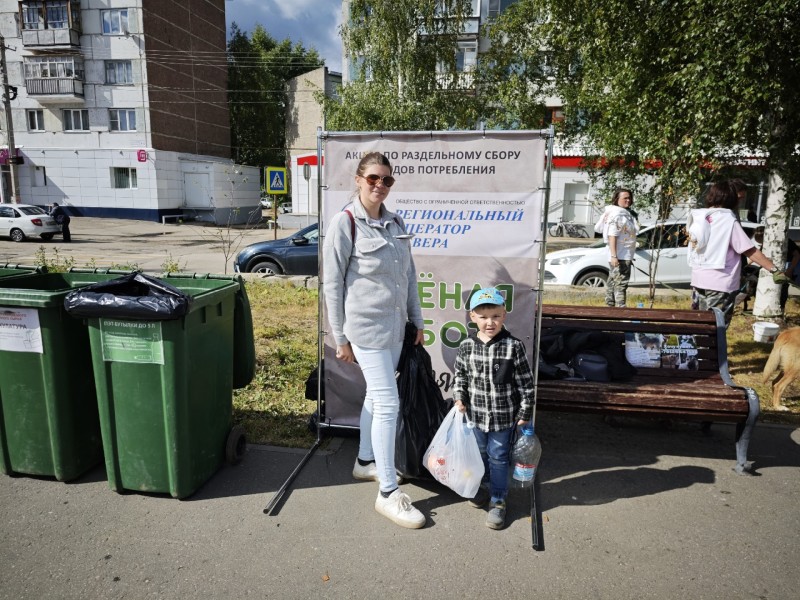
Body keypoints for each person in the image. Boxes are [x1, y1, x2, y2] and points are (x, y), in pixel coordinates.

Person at [322, 152, 426, 529]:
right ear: (358, 179)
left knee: (373, 397)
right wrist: (341, 336)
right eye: (373, 179)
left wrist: (417, 320)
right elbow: (332, 284)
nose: (379, 185)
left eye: (386, 180)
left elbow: (409, 277)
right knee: (387, 403)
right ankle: (387, 493)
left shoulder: (396, 222)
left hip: (395, 329)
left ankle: (365, 461)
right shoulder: (345, 223)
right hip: (365, 330)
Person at [452, 287, 535, 530]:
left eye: (496, 316)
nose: (490, 322)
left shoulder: (513, 346)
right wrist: (460, 396)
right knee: (479, 453)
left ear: (504, 315)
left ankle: (498, 500)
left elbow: (526, 383)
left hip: (503, 418)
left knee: (498, 457)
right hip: (475, 417)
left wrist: (525, 411)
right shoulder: (467, 346)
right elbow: (461, 376)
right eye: (484, 316)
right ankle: (483, 488)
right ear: (473, 317)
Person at [687, 180, 785, 323]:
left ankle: (700, 345)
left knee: (700, 323)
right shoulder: (727, 219)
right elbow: (748, 250)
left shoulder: (700, 216)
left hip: (698, 279)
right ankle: (711, 346)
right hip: (720, 283)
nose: (740, 201)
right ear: (730, 198)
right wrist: (774, 269)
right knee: (716, 327)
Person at [594, 188, 638, 307]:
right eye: (625, 198)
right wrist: (614, 256)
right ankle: (620, 309)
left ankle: (610, 307)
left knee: (613, 281)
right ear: (616, 199)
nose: (628, 200)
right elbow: (612, 236)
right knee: (621, 282)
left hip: (621, 254)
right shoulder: (618, 215)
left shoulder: (618, 213)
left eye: (629, 198)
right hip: (620, 255)